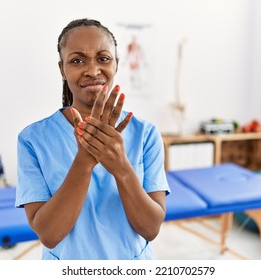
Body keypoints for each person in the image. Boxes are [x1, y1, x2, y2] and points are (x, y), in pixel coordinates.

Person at [15, 18, 170, 260]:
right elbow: (49, 234)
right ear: (62, 69)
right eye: (77, 60)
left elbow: (150, 229)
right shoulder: (33, 139)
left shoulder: (145, 134)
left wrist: (122, 168)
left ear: (116, 65)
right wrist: (85, 160)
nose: (93, 70)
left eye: (103, 58)